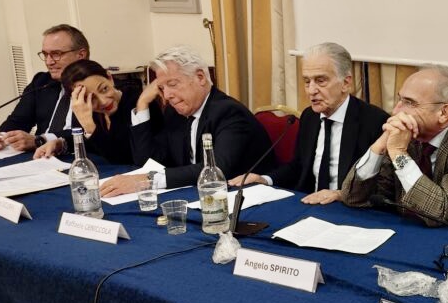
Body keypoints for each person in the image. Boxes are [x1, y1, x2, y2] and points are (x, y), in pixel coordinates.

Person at [340, 64, 448, 230]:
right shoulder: (409, 132)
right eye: (400, 99)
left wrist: (399, 154)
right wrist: (380, 146)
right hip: (410, 230)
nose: (396, 111)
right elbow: (353, 197)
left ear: (443, 112)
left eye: (409, 103)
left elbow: (439, 211)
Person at [99, 46, 275, 195]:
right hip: (199, 195)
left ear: (200, 77)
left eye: (172, 84)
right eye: (161, 88)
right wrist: (142, 103)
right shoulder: (175, 112)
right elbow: (148, 161)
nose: (166, 95)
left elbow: (216, 168)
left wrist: (149, 180)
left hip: (248, 197)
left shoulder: (228, 112)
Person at [229, 43, 388, 205]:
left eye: (320, 81)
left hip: (350, 209)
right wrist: (265, 179)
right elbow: (298, 166)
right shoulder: (310, 117)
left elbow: (384, 190)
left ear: (346, 83)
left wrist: (341, 194)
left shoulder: (375, 122)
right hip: (310, 204)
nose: (311, 90)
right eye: (307, 81)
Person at [0, 24, 89, 152]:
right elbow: (18, 121)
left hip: (81, 156)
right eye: (45, 54)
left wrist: (41, 140)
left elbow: (90, 133)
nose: (49, 62)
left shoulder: (100, 87)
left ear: (81, 55)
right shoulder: (41, 82)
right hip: (41, 157)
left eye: (56, 54)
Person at [32, 60, 140, 165]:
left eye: (104, 89)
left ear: (109, 78)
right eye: (91, 98)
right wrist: (60, 144)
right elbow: (89, 143)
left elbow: (122, 156)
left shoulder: (136, 103)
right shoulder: (86, 107)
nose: (103, 101)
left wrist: (89, 126)